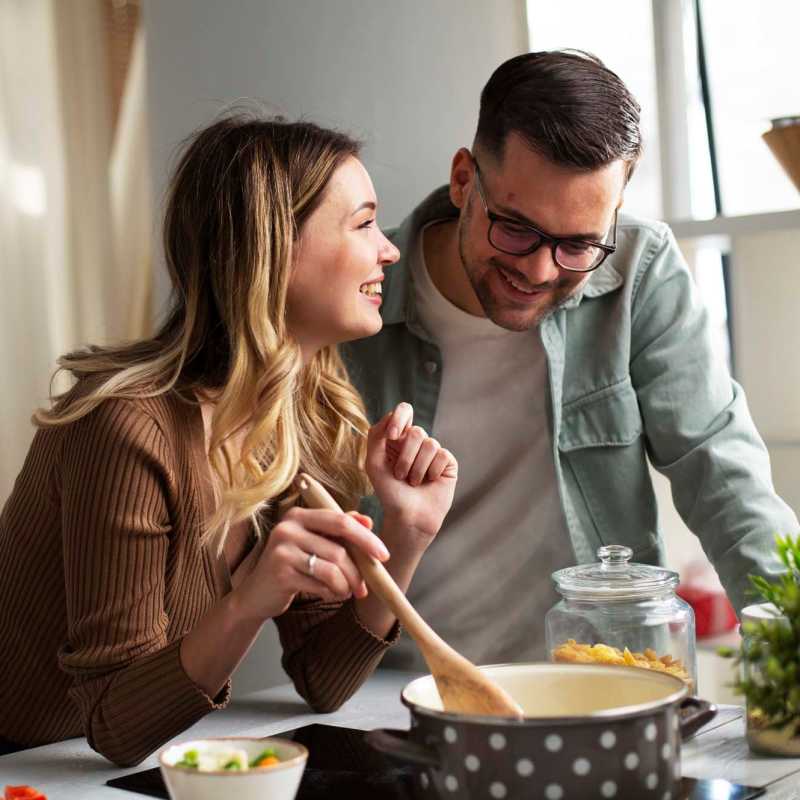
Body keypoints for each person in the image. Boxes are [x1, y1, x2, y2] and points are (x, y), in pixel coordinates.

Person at [0, 114, 457, 765]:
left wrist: (405, 539)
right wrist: (247, 602)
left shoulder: (301, 416)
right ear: (273, 250)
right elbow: (114, 727)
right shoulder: (126, 430)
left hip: (110, 769)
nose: (389, 250)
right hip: (25, 766)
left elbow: (325, 682)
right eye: (362, 224)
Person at [342, 50, 798, 672]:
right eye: (516, 229)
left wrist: (788, 643)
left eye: (579, 244)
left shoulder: (639, 266)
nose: (538, 270)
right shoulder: (354, 296)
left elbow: (720, 467)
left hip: (603, 679)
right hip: (400, 694)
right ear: (462, 180)